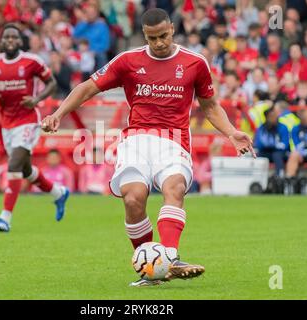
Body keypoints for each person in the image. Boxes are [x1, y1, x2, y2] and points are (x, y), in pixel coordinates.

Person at [42, 8, 255, 286]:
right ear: (145, 36)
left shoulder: (195, 63)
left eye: (164, 36)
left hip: (174, 138)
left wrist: (231, 133)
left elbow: (210, 105)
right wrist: (59, 113)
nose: (159, 43)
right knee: (133, 199)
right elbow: (86, 88)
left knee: (174, 188)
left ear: (172, 30)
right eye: (152, 38)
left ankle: (170, 257)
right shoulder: (128, 60)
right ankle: (151, 271)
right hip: (137, 139)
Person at [0, 24, 69, 232]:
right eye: (7, 37)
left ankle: (5, 218)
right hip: (7, 123)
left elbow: (52, 83)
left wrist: (37, 99)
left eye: (14, 37)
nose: (10, 40)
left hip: (28, 120)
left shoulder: (31, 61)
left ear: (20, 41)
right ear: (1, 41)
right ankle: (58, 192)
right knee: (25, 170)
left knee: (13, 166)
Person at [254, 107, 289, 177]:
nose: (274, 118)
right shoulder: (261, 128)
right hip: (265, 151)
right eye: (271, 116)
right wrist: (266, 145)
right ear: (267, 118)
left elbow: (285, 145)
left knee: (277, 155)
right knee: (256, 155)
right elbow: (257, 144)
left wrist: (272, 144)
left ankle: (280, 176)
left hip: (279, 152)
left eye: (275, 116)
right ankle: (256, 176)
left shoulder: (283, 127)